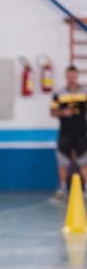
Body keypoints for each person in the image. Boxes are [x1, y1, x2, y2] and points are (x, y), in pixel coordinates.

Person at [50, 65, 87, 198]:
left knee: (84, 161)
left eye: (74, 76)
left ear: (77, 76)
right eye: (69, 76)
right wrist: (63, 112)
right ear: (66, 76)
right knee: (63, 162)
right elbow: (52, 112)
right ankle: (62, 188)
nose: (72, 78)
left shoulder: (85, 92)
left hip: (82, 132)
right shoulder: (58, 93)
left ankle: (86, 189)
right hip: (65, 133)